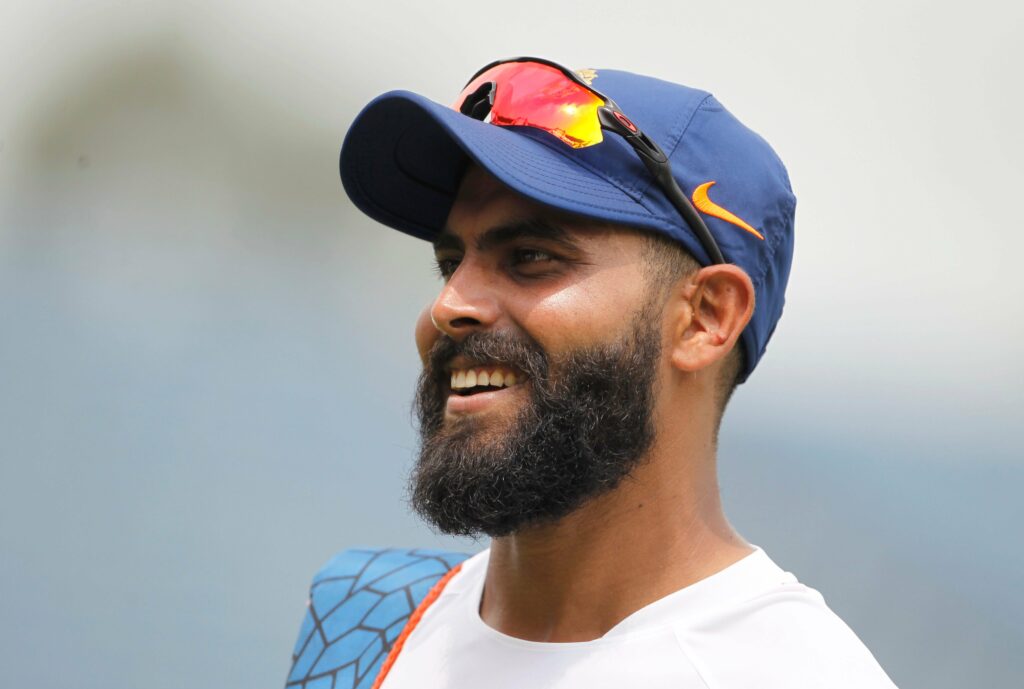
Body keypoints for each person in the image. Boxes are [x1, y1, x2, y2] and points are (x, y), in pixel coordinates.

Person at [286, 57, 898, 689]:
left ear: (705, 318)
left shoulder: (792, 674)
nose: (449, 306)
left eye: (530, 257)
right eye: (449, 263)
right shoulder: (362, 616)